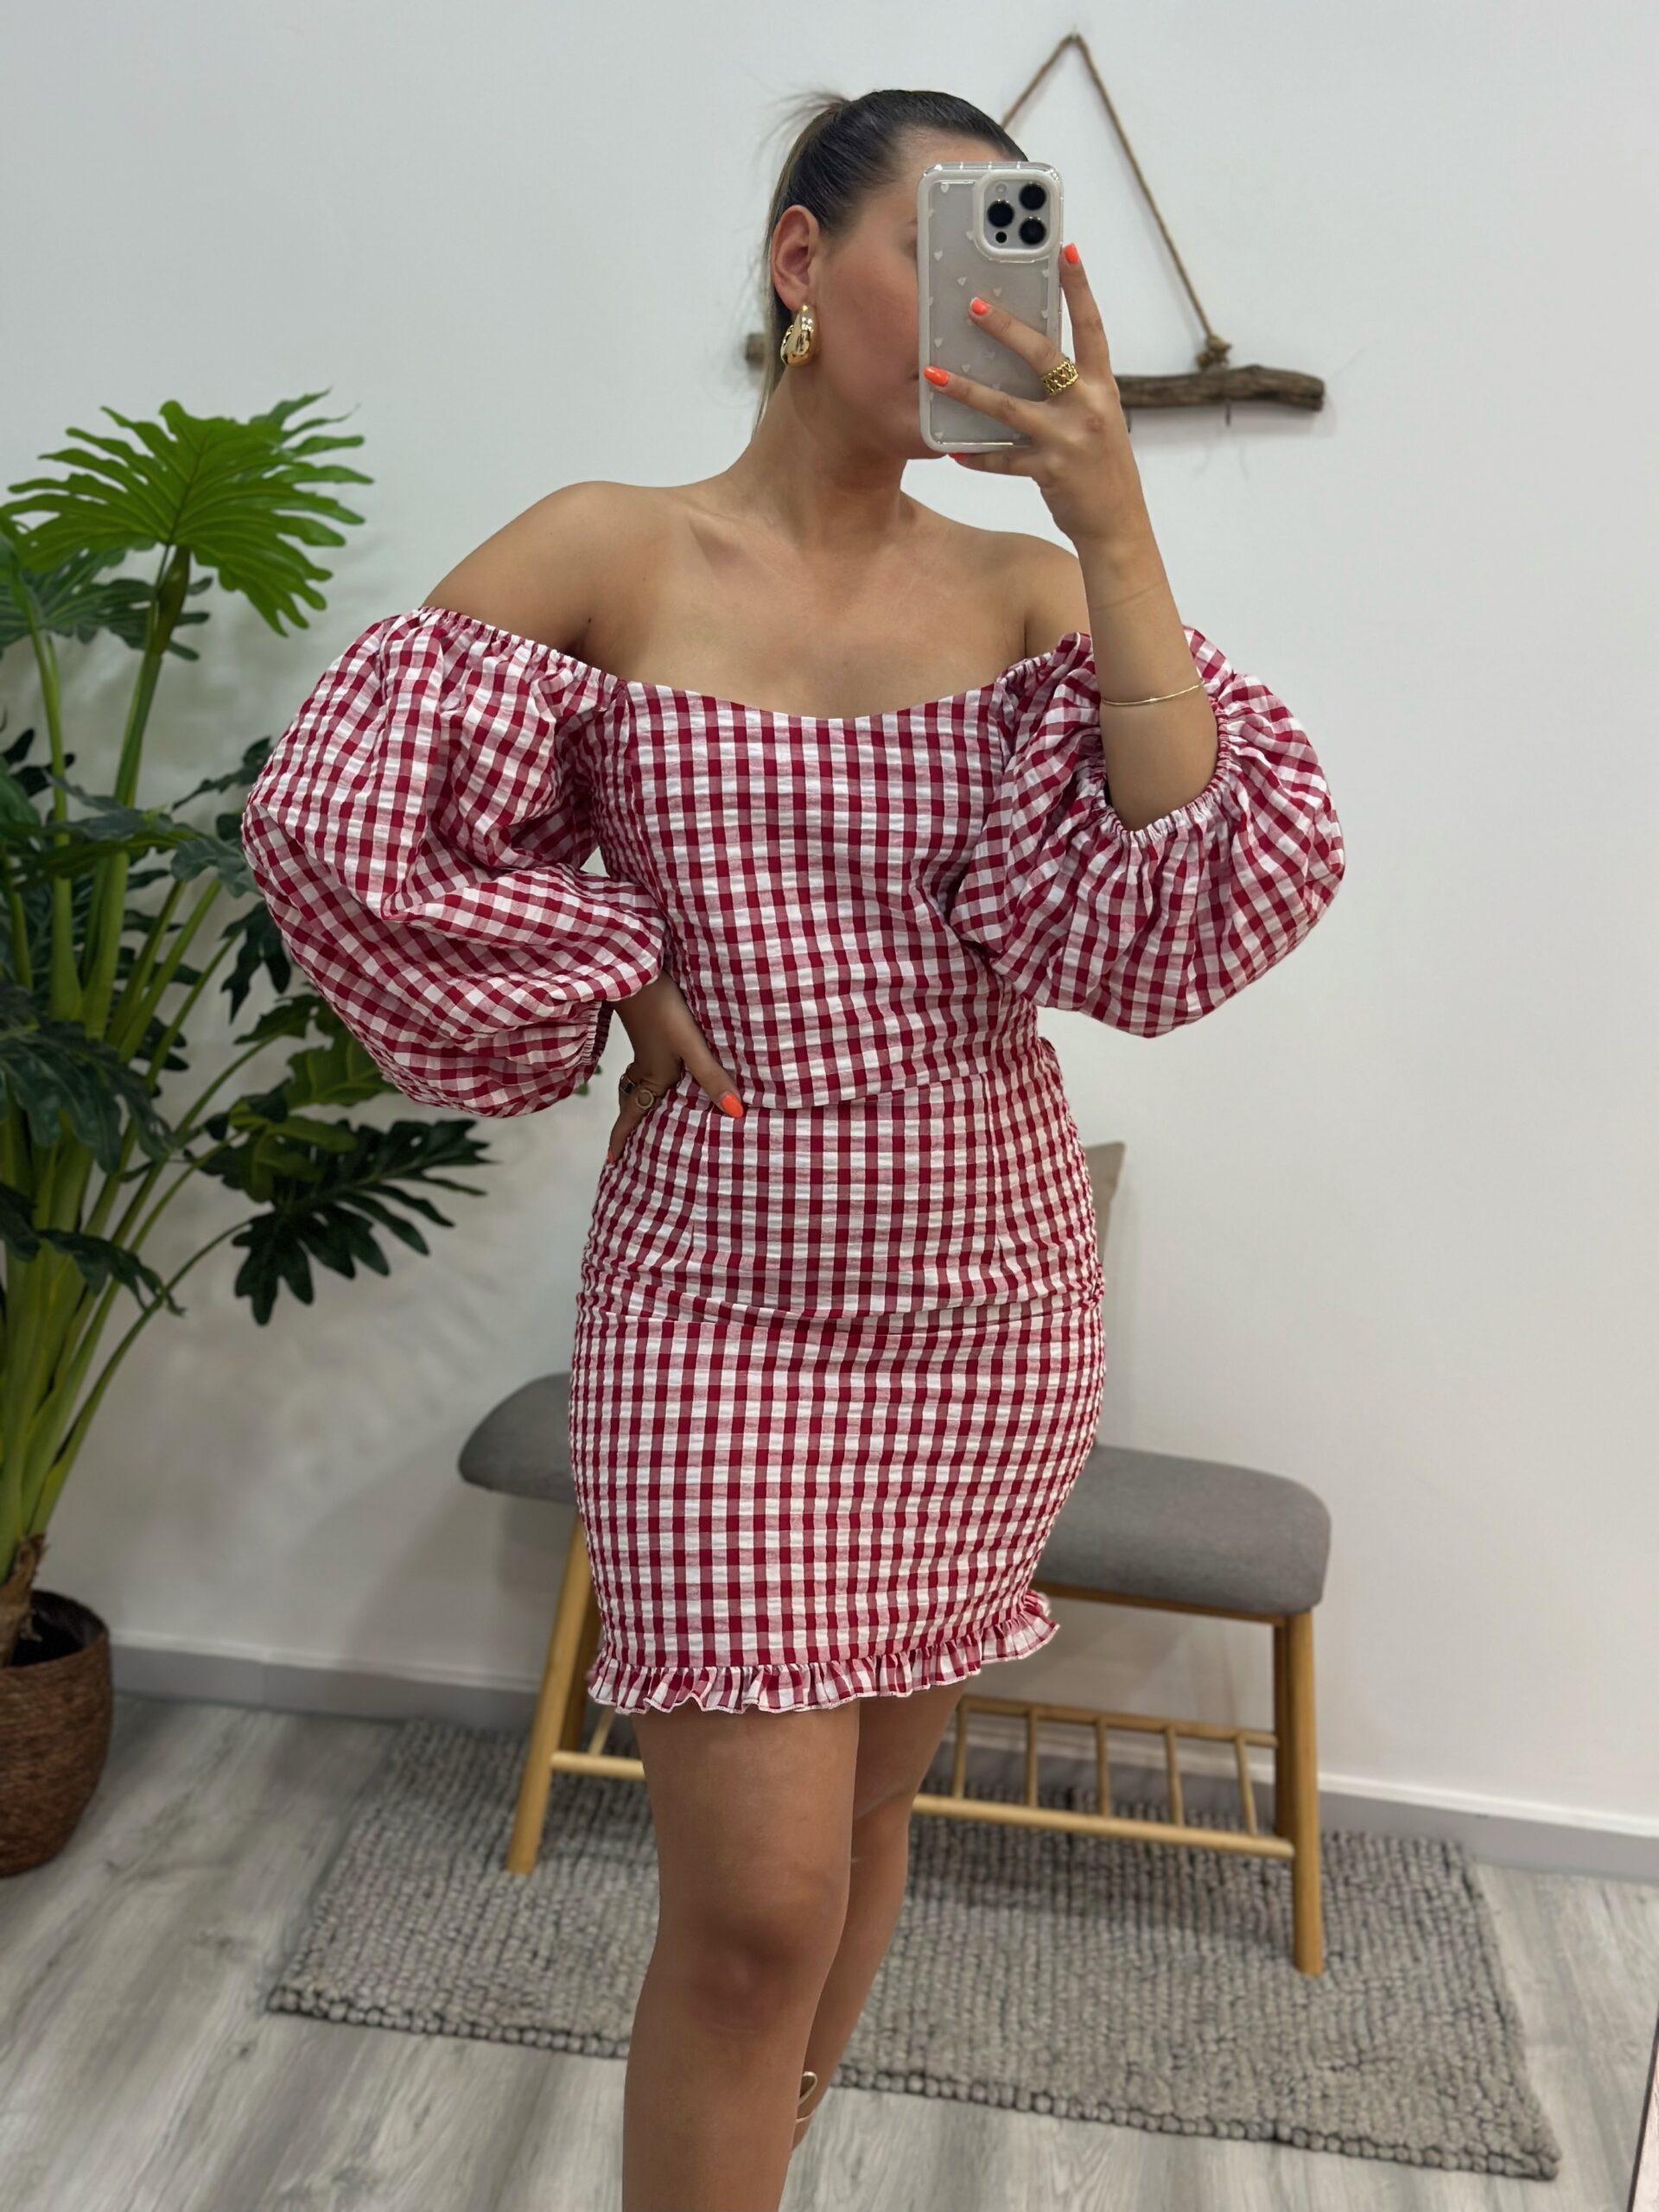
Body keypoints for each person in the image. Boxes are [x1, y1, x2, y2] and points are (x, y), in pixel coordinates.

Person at [242, 85, 1345, 2212]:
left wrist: (1118, 522)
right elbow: (339, 822)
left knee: (857, 1826)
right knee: (750, 1907)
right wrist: (601, 958)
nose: (987, 313)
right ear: (795, 263)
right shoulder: (609, 549)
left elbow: (1203, 887)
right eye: (938, 253)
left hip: (985, 1303)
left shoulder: (1028, 592)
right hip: (716, 1304)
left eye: (1017, 269)